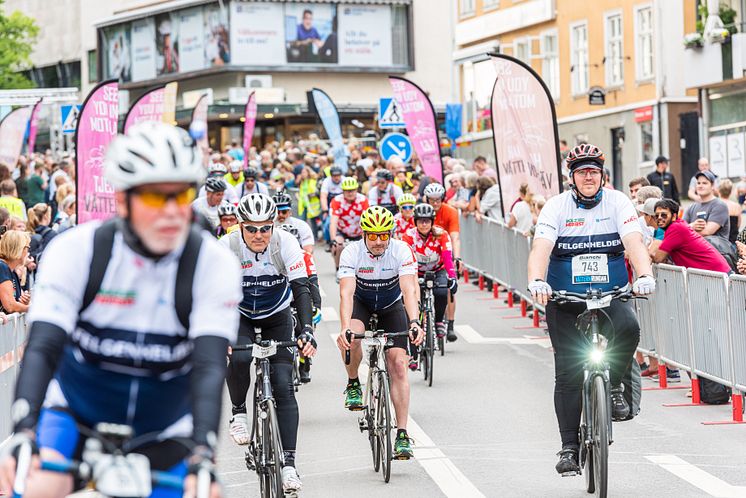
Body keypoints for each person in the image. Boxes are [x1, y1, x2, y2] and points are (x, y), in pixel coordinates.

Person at [0, 122, 241, 498]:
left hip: (164, 426)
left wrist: (204, 455)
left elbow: (210, 366)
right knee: (29, 483)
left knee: (204, 492)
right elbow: (43, 347)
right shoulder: (76, 252)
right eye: (154, 198)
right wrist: (24, 430)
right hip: (77, 417)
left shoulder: (213, 262)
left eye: (180, 196)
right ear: (122, 200)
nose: (171, 212)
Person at [526, 143, 655, 476]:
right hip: (566, 297)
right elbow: (541, 247)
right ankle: (569, 447)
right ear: (572, 177)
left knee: (629, 327)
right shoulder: (556, 207)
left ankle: (613, 386)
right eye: (582, 172)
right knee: (568, 371)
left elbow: (634, 243)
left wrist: (644, 275)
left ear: (602, 176)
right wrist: (537, 280)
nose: (588, 177)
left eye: (593, 172)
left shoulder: (618, 202)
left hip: (611, 292)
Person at [220, 193, 316, 494]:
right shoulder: (227, 247)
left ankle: (289, 464)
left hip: (277, 315)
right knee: (237, 358)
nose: (259, 234)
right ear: (240, 227)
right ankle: (239, 412)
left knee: (284, 385)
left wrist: (307, 330)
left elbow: (301, 288)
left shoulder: (285, 243)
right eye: (252, 228)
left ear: (273, 226)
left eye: (265, 228)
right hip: (240, 313)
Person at [336, 206, 423, 460]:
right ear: (363, 234)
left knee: (398, 364)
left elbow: (409, 290)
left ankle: (403, 434)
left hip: (390, 305)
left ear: (390, 234)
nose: (377, 241)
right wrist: (344, 328)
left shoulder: (400, 250)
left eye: (383, 235)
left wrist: (415, 321)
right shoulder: (352, 252)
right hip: (361, 303)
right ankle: (353, 382)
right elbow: (346, 293)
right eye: (372, 236)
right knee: (352, 337)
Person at [400, 204, 457, 369]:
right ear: (415, 222)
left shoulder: (441, 234)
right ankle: (413, 353)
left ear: (432, 222)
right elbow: (405, 260)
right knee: (412, 309)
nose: (424, 224)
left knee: (440, 292)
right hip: (415, 272)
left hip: (437, 270)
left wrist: (452, 277)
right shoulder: (408, 237)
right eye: (420, 221)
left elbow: (447, 257)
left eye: (427, 221)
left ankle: (439, 321)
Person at [650, 199, 731, 273]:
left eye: (664, 215)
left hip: (718, 275)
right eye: (656, 216)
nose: (659, 218)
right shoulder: (677, 225)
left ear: (674, 216)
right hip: (713, 274)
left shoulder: (675, 228)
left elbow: (658, 258)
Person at [423, 183, 461, 342]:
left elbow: (455, 237)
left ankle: (450, 325)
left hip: (444, 251)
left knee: (448, 288)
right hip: (425, 255)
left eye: (438, 200)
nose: (435, 203)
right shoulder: (422, 212)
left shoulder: (450, 211)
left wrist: (456, 258)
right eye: (432, 200)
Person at [329, 177, 369, 270]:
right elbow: (333, 221)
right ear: (343, 191)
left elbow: (366, 219)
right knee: (338, 245)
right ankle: (338, 268)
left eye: (352, 190)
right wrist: (333, 239)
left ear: (356, 190)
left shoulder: (363, 200)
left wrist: (366, 236)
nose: (350, 193)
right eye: (347, 191)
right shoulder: (337, 201)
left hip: (359, 231)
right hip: (342, 230)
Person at [682, 170, 730, 240]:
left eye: (704, 183)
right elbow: (680, 228)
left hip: (715, 249)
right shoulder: (691, 207)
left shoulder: (720, 205)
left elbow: (707, 231)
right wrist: (692, 226)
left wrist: (686, 230)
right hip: (694, 248)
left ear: (713, 186)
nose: (700, 186)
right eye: (698, 183)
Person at [0, 230, 31, 313]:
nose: (28, 252)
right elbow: (10, 306)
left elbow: (14, 304)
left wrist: (22, 303)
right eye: (27, 248)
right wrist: (33, 309)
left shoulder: (12, 271)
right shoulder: (2, 267)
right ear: (19, 248)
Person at [717, 179, 741, 244]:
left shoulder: (716, 204)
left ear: (718, 190)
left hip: (719, 242)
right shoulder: (737, 206)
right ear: (730, 192)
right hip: (733, 241)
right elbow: (738, 225)